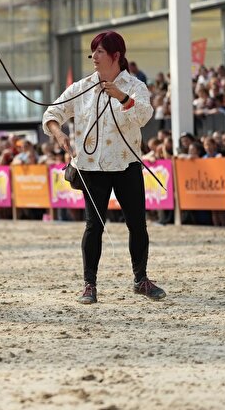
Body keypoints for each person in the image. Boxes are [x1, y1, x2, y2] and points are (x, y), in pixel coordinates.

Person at [42, 30, 166, 305]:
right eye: (93, 51)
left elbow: (144, 116)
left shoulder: (134, 86)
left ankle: (141, 279)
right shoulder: (82, 87)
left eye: (99, 51)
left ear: (116, 55)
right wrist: (59, 133)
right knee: (93, 226)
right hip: (91, 166)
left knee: (137, 224)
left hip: (126, 164)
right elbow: (52, 112)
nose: (94, 57)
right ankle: (89, 284)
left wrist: (122, 97)